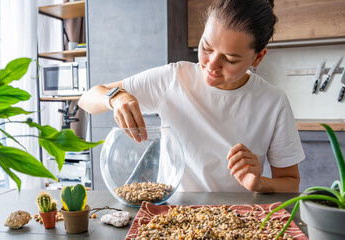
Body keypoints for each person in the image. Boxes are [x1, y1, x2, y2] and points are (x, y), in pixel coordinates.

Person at [78, 0, 305, 193]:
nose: (212, 65)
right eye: (206, 48)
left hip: (237, 219)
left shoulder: (273, 102)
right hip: (172, 217)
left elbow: (291, 183)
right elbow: (87, 99)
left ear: (258, 57)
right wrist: (117, 97)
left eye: (230, 59)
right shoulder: (173, 79)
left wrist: (259, 183)